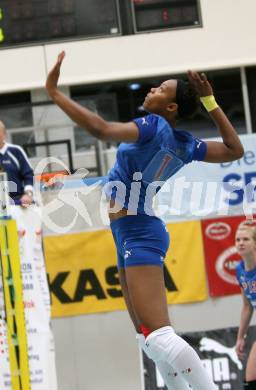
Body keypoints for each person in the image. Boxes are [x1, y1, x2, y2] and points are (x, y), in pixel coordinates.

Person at [46, 51, 244, 390]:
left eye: (161, 89)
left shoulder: (154, 127)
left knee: (160, 337)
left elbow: (102, 128)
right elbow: (234, 150)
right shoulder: (184, 142)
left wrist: (54, 93)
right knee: (149, 340)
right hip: (130, 229)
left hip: (139, 230)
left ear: (171, 108)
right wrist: (209, 102)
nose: (152, 89)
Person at [235, 220, 256, 390]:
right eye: (238, 240)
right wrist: (240, 337)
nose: (241, 243)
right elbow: (247, 306)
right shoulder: (240, 270)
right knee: (250, 377)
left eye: (246, 239)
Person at [0, 120, 34, 207]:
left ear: (4, 134)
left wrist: (28, 194)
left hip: (18, 202)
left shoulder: (15, 151)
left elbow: (29, 175)